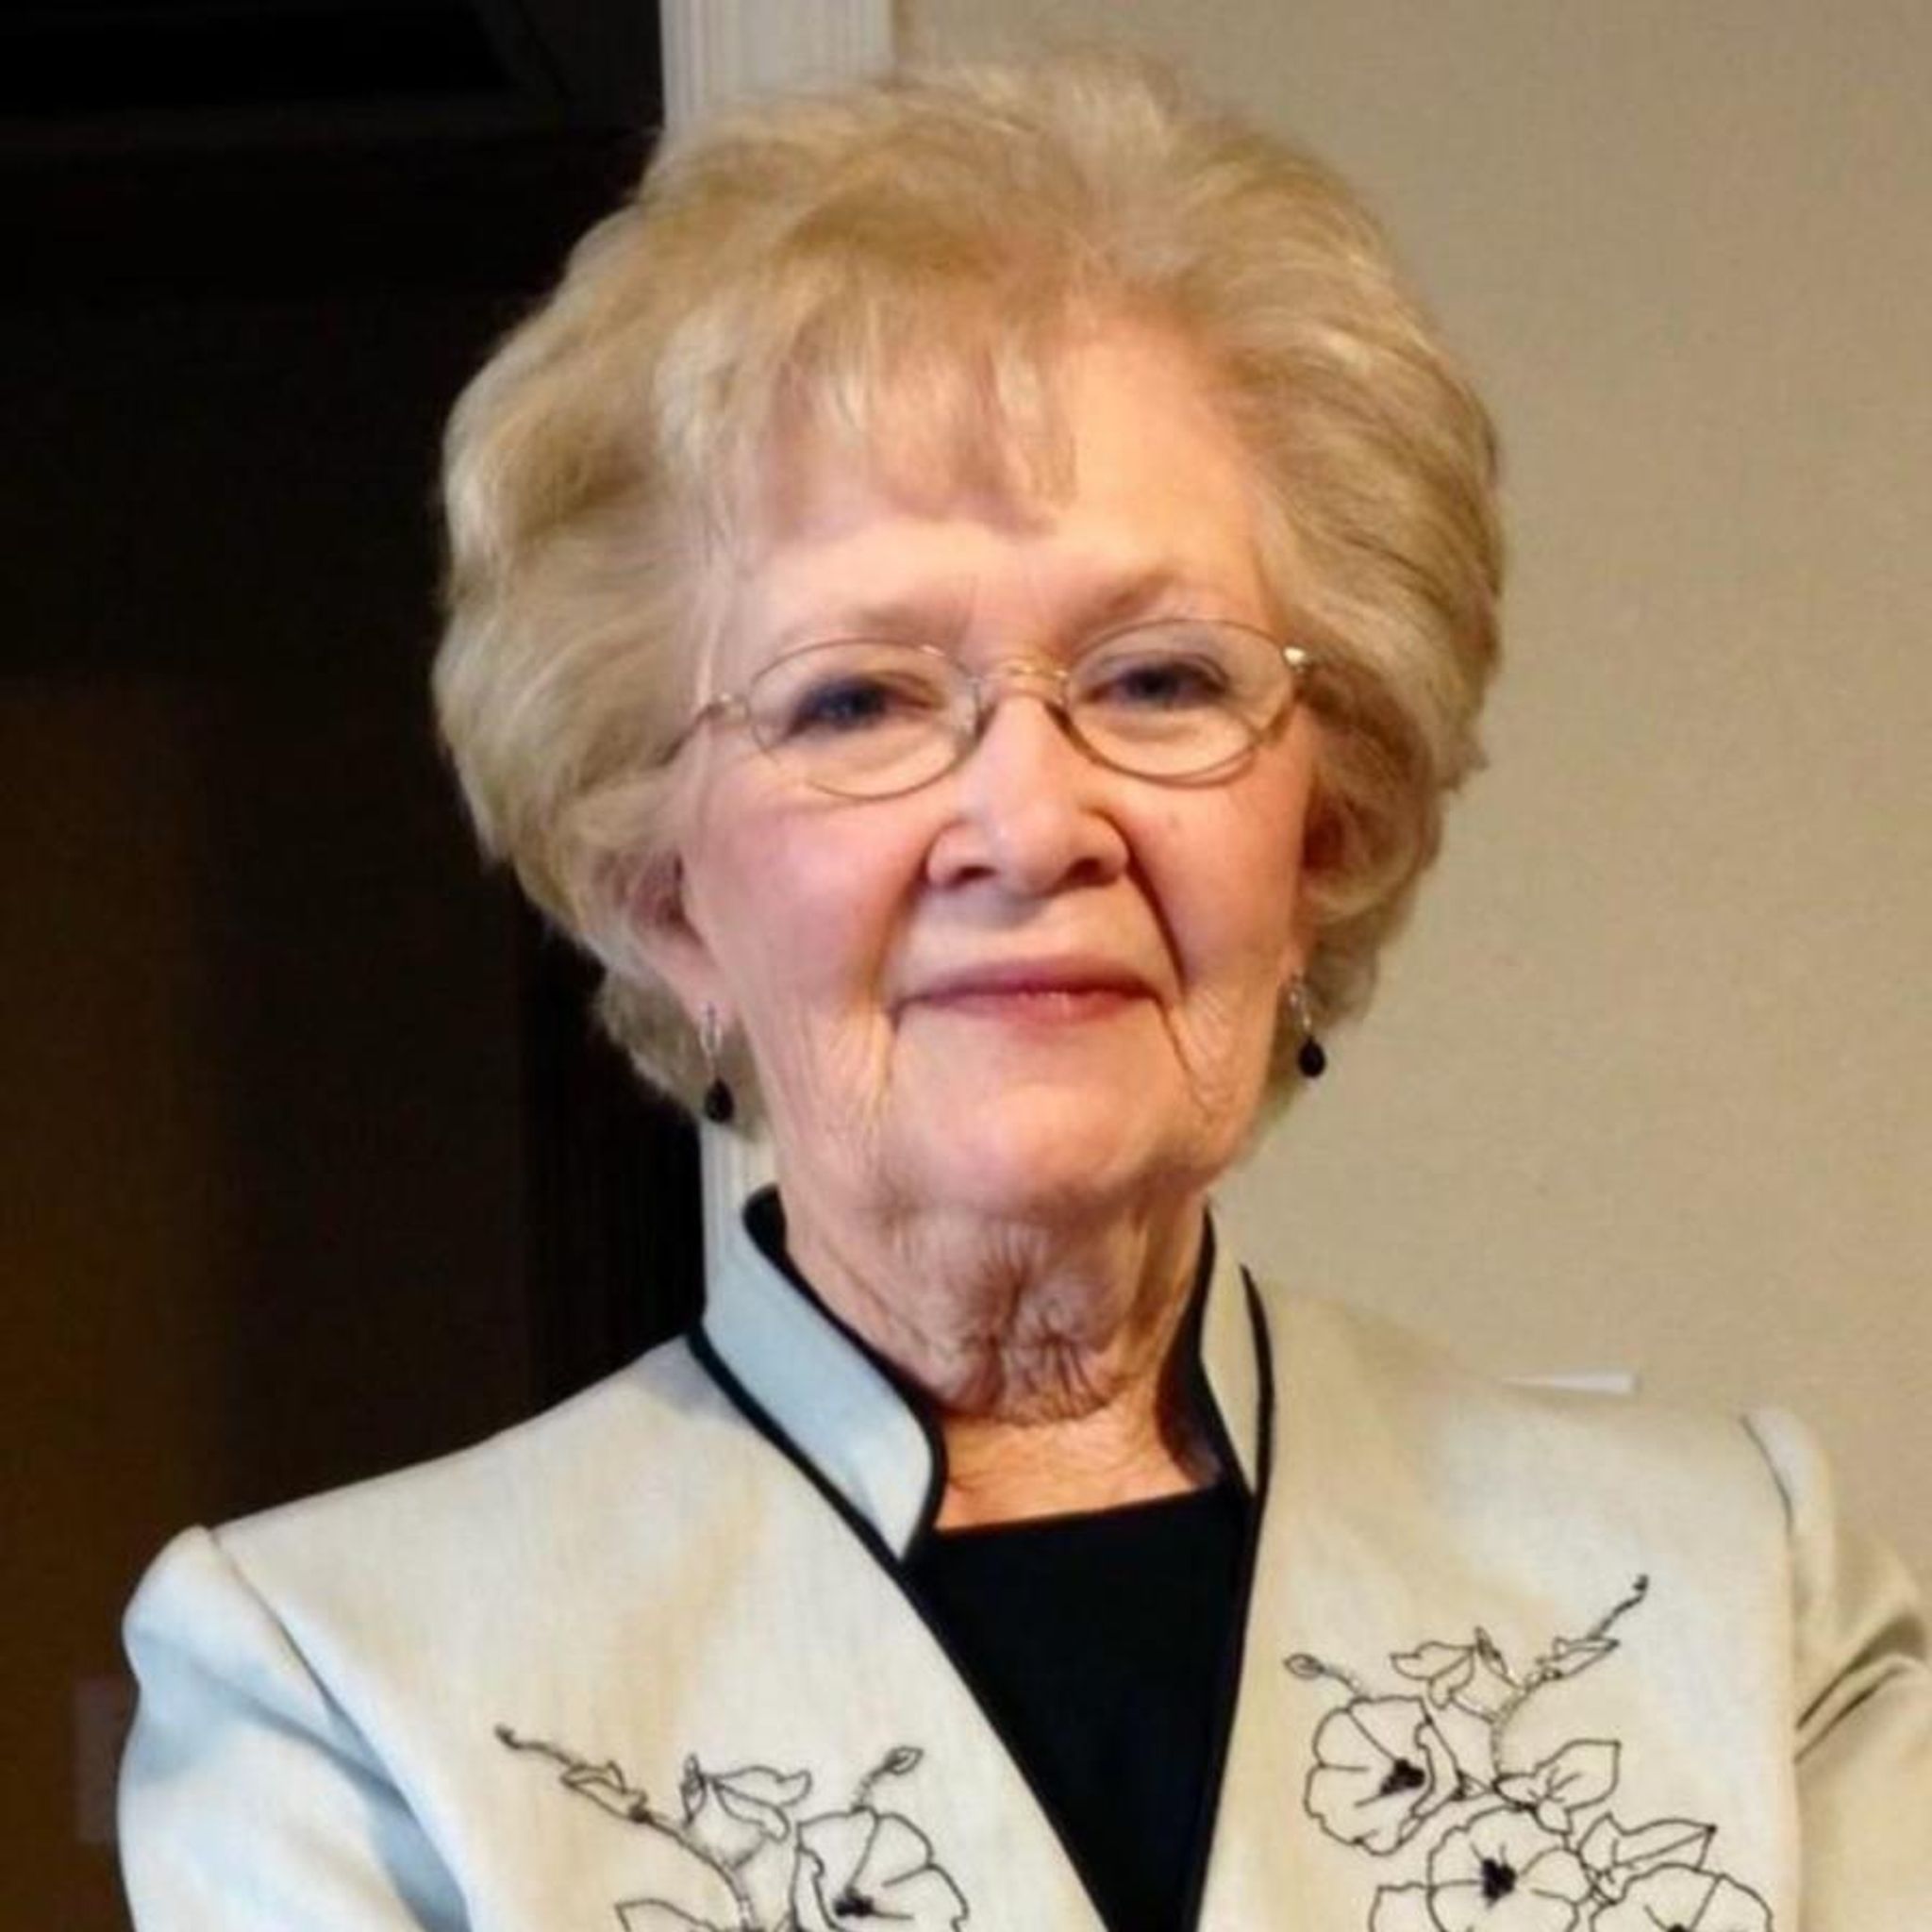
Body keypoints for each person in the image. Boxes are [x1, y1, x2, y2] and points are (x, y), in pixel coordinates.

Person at [118, 56, 1928, 1932]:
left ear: (1321, 830)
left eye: (1159, 679)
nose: (1032, 823)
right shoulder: (344, 1698)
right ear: (669, 898)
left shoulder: (1739, 1594)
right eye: (858, 700)